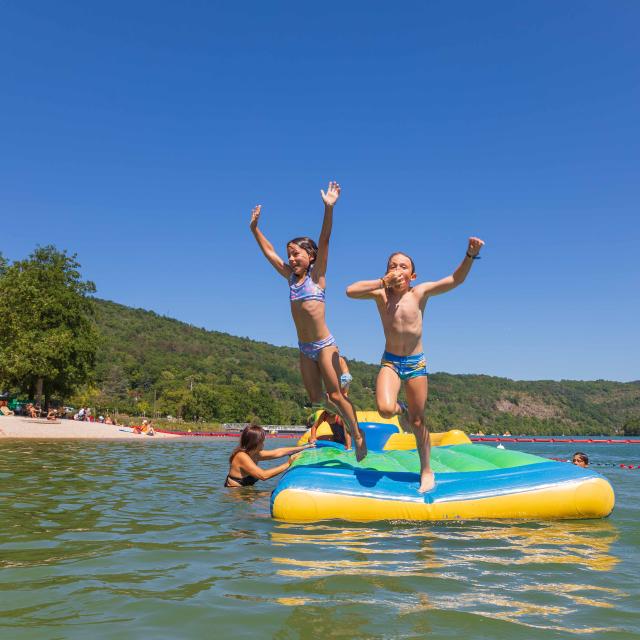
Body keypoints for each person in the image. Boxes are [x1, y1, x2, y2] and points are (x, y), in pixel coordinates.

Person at [346, 238, 485, 492]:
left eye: (403, 266)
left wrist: (469, 255)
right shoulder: (380, 294)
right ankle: (402, 410)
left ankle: (426, 470)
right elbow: (350, 291)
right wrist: (382, 282)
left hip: (415, 364)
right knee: (386, 409)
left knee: (419, 422)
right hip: (390, 361)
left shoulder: (418, 293)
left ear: (413, 274)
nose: (397, 270)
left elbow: (455, 280)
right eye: (392, 266)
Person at [249, 181, 366, 461]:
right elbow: (270, 254)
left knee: (336, 395)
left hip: (324, 345)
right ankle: (342, 416)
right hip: (304, 348)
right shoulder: (290, 279)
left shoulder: (317, 277)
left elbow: (325, 240)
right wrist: (255, 230)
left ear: (310, 257)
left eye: (296, 253)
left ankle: (357, 434)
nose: (291, 258)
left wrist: (329, 208)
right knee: (317, 397)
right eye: (289, 253)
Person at [225, 424, 314, 488]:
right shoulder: (241, 456)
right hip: (236, 493)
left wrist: (305, 447)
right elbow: (263, 476)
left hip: (247, 489)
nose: (264, 443)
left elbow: (278, 452)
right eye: (262, 441)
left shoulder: (255, 453)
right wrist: (288, 463)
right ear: (255, 443)